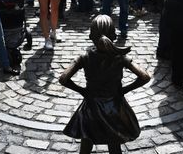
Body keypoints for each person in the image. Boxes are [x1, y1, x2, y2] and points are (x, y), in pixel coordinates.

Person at [59, 15, 150, 154]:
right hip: (114, 108)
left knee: (86, 145)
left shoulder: (85, 57)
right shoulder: (121, 57)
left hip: (90, 108)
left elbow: (63, 78)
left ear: (91, 36)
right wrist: (124, 90)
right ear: (113, 35)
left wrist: (82, 91)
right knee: (114, 146)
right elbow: (145, 76)